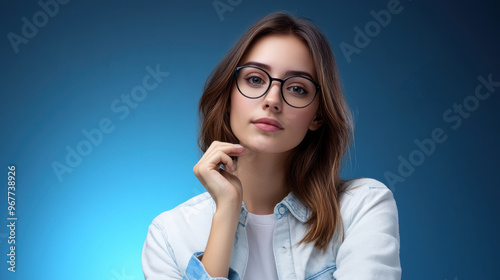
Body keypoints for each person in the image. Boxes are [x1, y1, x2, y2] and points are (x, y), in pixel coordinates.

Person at [141, 11, 401, 280]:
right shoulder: (169, 234)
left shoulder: (362, 207)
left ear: (317, 115)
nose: (272, 99)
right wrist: (227, 212)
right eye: (255, 79)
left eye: (297, 88)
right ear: (228, 96)